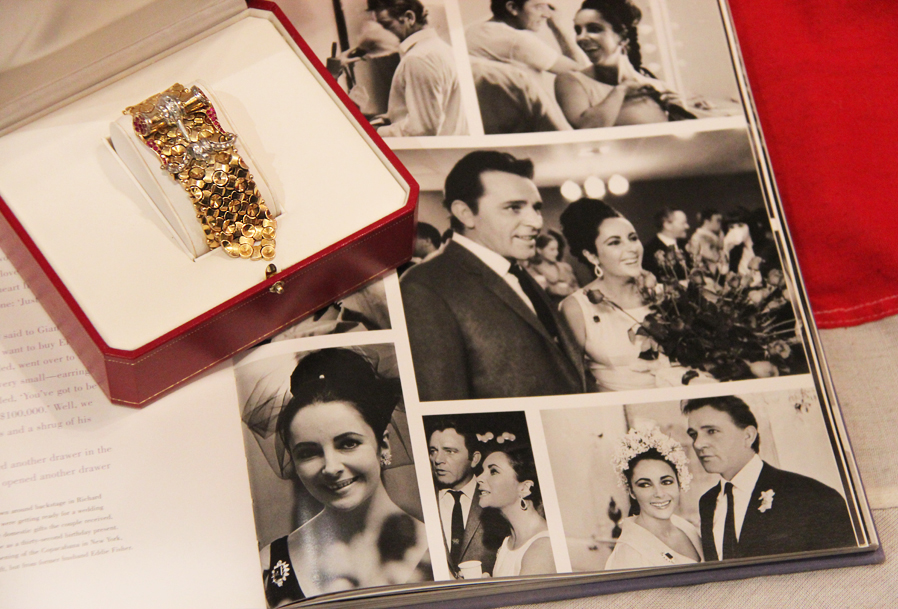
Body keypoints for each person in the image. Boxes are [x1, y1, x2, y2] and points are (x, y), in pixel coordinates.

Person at [400, 150, 586, 401]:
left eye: (536, 208)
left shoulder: (516, 270)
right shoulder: (424, 286)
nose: (535, 222)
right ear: (465, 213)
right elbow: (443, 406)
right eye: (513, 208)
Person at [259, 349, 431, 605]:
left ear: (383, 446)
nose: (330, 467)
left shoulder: (437, 549)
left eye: (348, 443)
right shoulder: (269, 562)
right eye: (308, 453)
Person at [683, 396, 857, 560]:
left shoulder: (811, 496)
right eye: (693, 435)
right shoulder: (707, 502)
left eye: (711, 431)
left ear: (748, 436)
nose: (698, 444)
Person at [559, 197, 680, 391]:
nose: (631, 249)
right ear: (592, 255)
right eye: (615, 243)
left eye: (633, 238)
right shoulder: (576, 308)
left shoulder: (665, 295)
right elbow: (573, 381)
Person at [555, 0, 693, 128]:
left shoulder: (660, 87)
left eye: (594, 29)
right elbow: (587, 128)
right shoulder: (570, 81)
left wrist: (689, 111)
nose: (581, 37)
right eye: (578, 30)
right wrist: (621, 90)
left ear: (623, 36)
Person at [606, 425, 702, 569]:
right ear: (631, 491)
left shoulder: (686, 528)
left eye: (666, 482)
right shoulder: (628, 554)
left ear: (679, 483)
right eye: (645, 485)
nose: (659, 493)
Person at [368, 0, 467, 137]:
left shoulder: (418, 58)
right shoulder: (444, 49)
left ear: (410, 18)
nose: (382, 34)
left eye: (386, 25)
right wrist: (390, 117)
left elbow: (423, 128)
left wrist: (375, 132)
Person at [427, 418, 500, 577]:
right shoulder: (421, 500)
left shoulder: (497, 500)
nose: (438, 460)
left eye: (450, 451)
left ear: (474, 459)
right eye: (433, 451)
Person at [476, 441, 556, 577]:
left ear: (525, 488)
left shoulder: (542, 548)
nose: (479, 478)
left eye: (493, 471)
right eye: (482, 471)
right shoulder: (508, 542)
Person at [466, 0, 581, 80]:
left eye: (548, 6)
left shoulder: (473, 30)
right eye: (539, 7)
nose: (547, 14)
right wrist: (557, 27)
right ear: (513, 8)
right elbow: (582, 75)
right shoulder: (515, 40)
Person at [527, 232, 579, 305]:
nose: (556, 253)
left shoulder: (565, 267)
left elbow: (577, 289)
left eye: (557, 249)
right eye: (552, 249)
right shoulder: (532, 271)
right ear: (539, 250)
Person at [641, 207, 690, 281]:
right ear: (667, 225)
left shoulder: (686, 245)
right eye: (683, 223)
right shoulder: (649, 251)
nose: (687, 226)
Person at [686, 208, 726, 273]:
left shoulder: (715, 235)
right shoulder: (698, 236)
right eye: (717, 221)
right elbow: (713, 256)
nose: (720, 224)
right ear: (706, 221)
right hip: (707, 271)